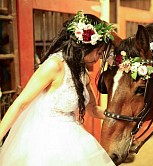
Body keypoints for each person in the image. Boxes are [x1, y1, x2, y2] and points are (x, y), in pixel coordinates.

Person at [0, 10, 116, 166]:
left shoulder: (82, 72)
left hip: (74, 138)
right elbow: (20, 104)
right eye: (99, 52)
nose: (99, 58)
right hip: (45, 141)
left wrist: (120, 117)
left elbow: (93, 109)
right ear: (86, 45)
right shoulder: (55, 65)